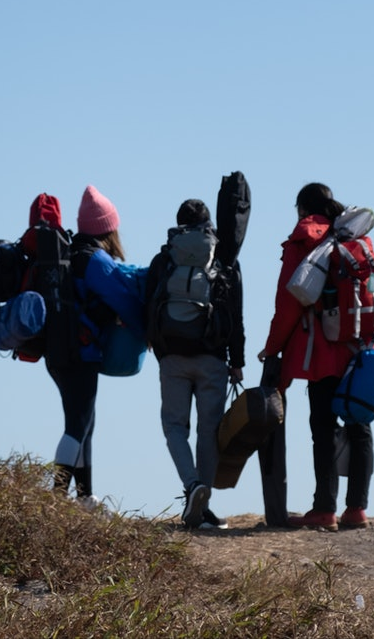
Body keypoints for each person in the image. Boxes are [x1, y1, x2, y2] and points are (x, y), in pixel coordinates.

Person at [257, 182, 374, 531]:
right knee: (359, 426)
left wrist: (272, 347)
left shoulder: (305, 237)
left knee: (322, 428)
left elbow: (288, 302)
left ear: (302, 208)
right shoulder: (357, 238)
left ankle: (325, 508)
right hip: (359, 348)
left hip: (321, 351)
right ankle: (358, 509)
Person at [45, 185, 147, 508]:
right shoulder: (95, 260)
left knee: (82, 422)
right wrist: (149, 333)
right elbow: (125, 301)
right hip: (82, 353)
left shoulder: (72, 253)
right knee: (78, 425)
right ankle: (57, 499)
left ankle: (84, 496)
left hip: (57, 351)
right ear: (108, 228)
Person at [146, 198, 243, 530]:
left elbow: (148, 305)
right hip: (212, 356)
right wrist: (237, 361)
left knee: (174, 427)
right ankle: (204, 505)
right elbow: (235, 312)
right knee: (208, 431)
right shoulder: (223, 258)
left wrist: (159, 350)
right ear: (209, 224)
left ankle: (192, 487)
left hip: (172, 356)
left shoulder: (164, 259)